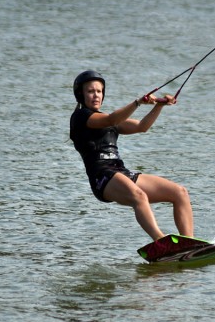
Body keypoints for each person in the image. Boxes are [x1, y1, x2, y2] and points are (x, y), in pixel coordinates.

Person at [69, 70, 194, 241]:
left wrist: (159, 105)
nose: (96, 95)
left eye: (99, 91)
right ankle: (161, 241)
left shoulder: (108, 119)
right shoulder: (81, 117)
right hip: (102, 177)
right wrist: (138, 102)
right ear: (80, 94)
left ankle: (190, 243)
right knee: (139, 196)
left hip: (121, 172)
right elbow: (111, 120)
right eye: (90, 91)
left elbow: (142, 126)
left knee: (179, 192)